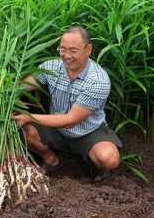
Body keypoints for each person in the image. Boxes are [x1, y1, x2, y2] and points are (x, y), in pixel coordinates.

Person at [12, 27, 122, 180]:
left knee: (109, 158)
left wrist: (29, 117)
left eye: (73, 50)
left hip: (88, 131)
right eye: (62, 49)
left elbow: (71, 120)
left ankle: (92, 168)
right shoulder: (51, 67)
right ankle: (51, 160)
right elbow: (21, 87)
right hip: (55, 128)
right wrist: (4, 95)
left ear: (88, 49)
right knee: (23, 131)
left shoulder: (98, 81)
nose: (67, 56)